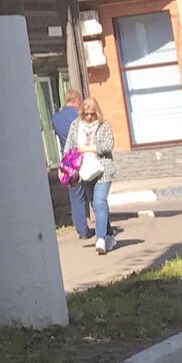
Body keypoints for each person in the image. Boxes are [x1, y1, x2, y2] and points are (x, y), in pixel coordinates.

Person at [63, 97, 117, 254]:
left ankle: (100, 239)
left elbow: (108, 145)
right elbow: (68, 147)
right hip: (84, 171)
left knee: (100, 202)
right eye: (85, 114)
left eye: (92, 114)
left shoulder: (104, 125)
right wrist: (68, 161)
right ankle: (108, 234)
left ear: (97, 113)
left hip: (103, 169)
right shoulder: (75, 125)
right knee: (94, 203)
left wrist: (89, 148)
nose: (88, 117)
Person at [52, 90, 94, 239]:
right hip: (83, 156)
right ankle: (103, 226)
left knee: (75, 195)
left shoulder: (56, 118)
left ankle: (82, 231)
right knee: (92, 190)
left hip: (68, 160)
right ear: (77, 101)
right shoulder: (79, 116)